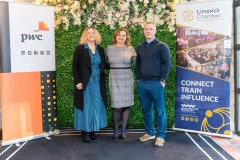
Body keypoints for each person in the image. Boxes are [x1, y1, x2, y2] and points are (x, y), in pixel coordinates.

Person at [136, 22, 171, 147]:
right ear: (144, 31)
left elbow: (167, 64)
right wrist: (138, 79)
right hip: (142, 84)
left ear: (155, 31)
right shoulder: (140, 47)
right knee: (146, 110)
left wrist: (163, 80)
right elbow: (138, 64)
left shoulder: (162, 46)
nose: (148, 31)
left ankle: (161, 136)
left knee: (160, 111)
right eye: (146, 29)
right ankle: (150, 132)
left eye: (151, 29)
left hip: (156, 83)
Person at [72, 27, 107, 143]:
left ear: (96, 35)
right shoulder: (80, 49)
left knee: (96, 104)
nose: (91, 34)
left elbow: (104, 65)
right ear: (85, 35)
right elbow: (75, 67)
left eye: (93, 33)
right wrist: (77, 81)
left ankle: (92, 130)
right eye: (89, 33)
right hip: (85, 82)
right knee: (86, 105)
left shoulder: (100, 49)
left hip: (97, 82)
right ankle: (85, 131)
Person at [105, 28, 136, 140]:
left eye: (123, 35)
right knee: (117, 107)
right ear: (115, 37)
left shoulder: (130, 49)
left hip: (127, 78)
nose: (121, 37)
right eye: (119, 35)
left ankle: (123, 129)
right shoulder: (109, 48)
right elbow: (102, 64)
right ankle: (116, 129)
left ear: (126, 38)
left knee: (127, 105)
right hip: (114, 78)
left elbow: (138, 64)